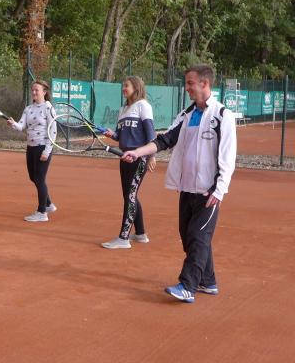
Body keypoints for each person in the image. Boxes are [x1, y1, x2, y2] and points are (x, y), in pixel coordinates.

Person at [122, 65, 237, 303]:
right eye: (186, 83)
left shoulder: (222, 115)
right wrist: (138, 152)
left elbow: (228, 156)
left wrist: (219, 189)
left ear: (205, 84)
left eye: (190, 83)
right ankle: (208, 281)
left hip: (208, 191)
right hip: (186, 188)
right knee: (189, 236)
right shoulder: (186, 114)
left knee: (198, 236)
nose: (187, 88)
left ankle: (188, 286)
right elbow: (165, 140)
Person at [101, 76, 157, 249]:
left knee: (130, 196)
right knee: (129, 195)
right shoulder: (123, 109)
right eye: (123, 86)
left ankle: (124, 238)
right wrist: (112, 134)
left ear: (136, 88)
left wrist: (152, 156)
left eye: (126, 86)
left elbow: (151, 133)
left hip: (139, 158)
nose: (123, 88)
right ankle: (140, 234)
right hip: (124, 157)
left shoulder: (143, 106)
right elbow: (120, 136)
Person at [7, 80, 57, 222]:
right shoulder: (28, 108)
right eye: (33, 90)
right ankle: (49, 204)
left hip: (43, 147)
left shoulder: (48, 108)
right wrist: (13, 124)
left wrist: (47, 151)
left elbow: (53, 131)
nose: (34, 92)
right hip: (31, 147)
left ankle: (42, 212)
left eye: (37, 90)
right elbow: (21, 126)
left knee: (40, 178)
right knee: (33, 177)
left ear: (44, 92)